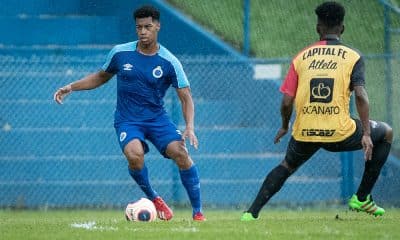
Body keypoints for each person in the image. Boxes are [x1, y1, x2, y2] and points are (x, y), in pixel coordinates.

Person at [241, 1, 393, 221]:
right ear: (342, 28)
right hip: (340, 132)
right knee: (386, 132)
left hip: (305, 132)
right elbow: (360, 95)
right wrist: (367, 134)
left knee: (286, 166)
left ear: (318, 28)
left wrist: (285, 126)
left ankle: (250, 213)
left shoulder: (301, 57)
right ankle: (361, 198)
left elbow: (286, 102)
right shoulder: (353, 57)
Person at [53, 5, 205, 221]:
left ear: (158, 27)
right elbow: (100, 77)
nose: (143, 31)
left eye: (148, 27)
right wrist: (71, 87)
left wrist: (189, 127)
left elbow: (186, 96)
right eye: (139, 27)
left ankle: (198, 212)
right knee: (134, 156)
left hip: (157, 119)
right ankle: (154, 199)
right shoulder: (120, 53)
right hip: (128, 120)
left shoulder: (170, 61)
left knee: (181, 154)